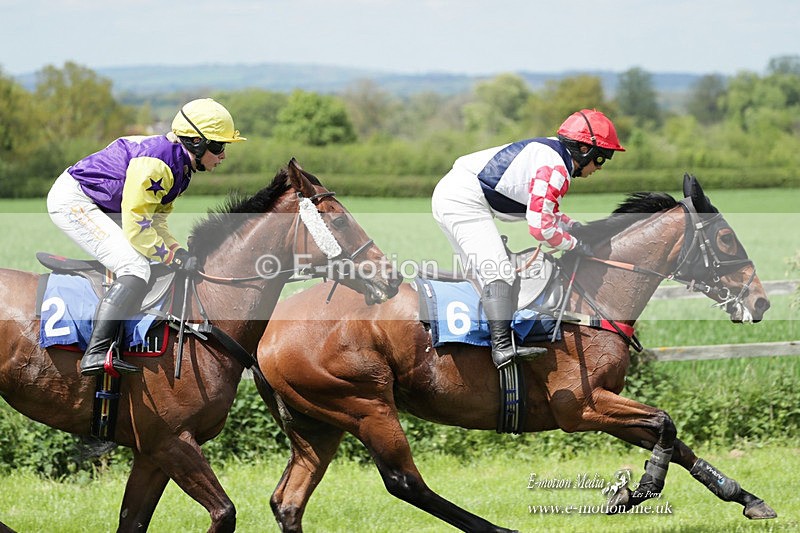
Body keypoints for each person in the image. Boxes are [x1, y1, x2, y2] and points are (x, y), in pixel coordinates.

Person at [47, 98, 246, 376]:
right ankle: (96, 352)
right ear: (196, 143)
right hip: (75, 202)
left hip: (103, 204)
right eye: (218, 146)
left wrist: (177, 250)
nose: (223, 155)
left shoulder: (181, 168)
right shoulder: (158, 165)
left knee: (148, 262)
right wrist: (171, 257)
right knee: (135, 267)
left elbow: (157, 220)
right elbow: (137, 228)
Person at [431, 109, 625, 369]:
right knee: (498, 272)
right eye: (601, 158)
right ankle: (502, 349)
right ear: (583, 149)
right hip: (462, 199)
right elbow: (541, 229)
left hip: (455, 194)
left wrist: (575, 228)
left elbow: (549, 212)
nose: (600, 167)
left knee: (481, 275)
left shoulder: (555, 157)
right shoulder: (556, 168)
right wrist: (575, 244)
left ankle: (482, 344)